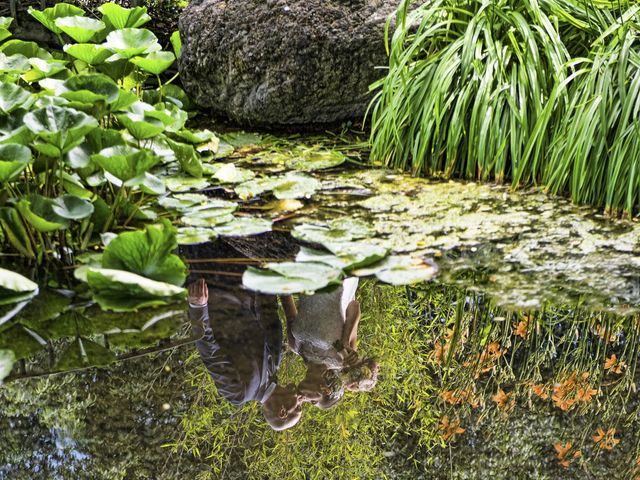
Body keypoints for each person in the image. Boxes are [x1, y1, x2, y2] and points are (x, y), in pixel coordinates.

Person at [188, 277, 303, 431]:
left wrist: (198, 308)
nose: (301, 402)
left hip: (213, 288)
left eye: (298, 408)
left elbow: (210, 352)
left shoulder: (239, 393)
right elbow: (268, 311)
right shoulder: (275, 363)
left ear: (282, 411)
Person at [282, 277, 379, 408]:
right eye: (312, 401)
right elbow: (353, 307)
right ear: (326, 390)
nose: (302, 400)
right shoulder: (342, 358)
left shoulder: (296, 346)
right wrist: (345, 340)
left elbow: (286, 300)